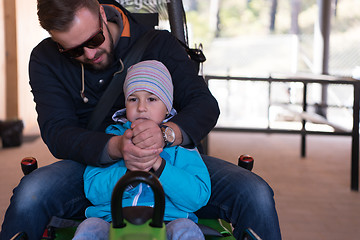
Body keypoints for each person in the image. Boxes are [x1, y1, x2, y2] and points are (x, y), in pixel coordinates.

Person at [0, 0, 281, 239]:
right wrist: (117, 147)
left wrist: (166, 134)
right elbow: (57, 132)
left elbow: (204, 105)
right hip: (93, 166)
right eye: (73, 51)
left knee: (255, 193)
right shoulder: (45, 59)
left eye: (94, 40)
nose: (89, 54)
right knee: (30, 194)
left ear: (100, 12)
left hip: (171, 156)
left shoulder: (159, 44)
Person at [73, 60, 211, 240]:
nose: (141, 107)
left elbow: (198, 196)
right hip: (112, 219)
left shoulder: (181, 145)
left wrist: (159, 166)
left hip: (168, 219)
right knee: (89, 227)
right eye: (133, 99)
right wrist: (130, 171)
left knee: (187, 230)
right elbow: (93, 191)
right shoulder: (112, 139)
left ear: (167, 107)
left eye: (152, 99)